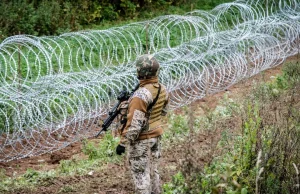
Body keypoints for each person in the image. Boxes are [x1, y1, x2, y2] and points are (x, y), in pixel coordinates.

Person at [116, 54, 169, 194]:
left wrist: (122, 144)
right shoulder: (162, 89)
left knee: (141, 177)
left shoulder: (141, 95)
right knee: (153, 173)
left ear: (139, 72)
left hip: (142, 141)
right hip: (156, 137)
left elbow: (135, 125)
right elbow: (164, 111)